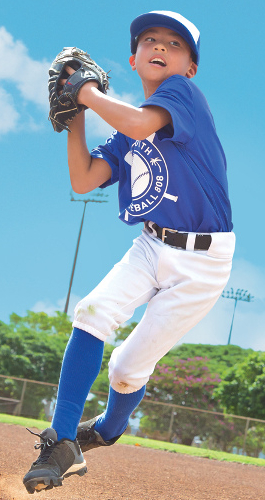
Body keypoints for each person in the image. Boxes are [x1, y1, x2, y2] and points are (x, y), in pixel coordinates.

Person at [23, 10, 235, 493]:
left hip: (203, 263)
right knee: (92, 311)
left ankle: (106, 431)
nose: (161, 47)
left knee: (126, 370)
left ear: (190, 68)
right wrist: (75, 119)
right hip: (152, 242)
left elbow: (142, 125)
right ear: (134, 58)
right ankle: (60, 443)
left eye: (175, 45)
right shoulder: (125, 133)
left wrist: (86, 93)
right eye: (150, 40)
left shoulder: (181, 96)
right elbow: (84, 179)